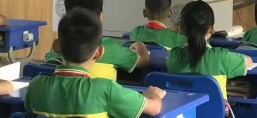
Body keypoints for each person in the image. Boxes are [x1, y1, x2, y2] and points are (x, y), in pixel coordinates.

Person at [26, 8, 165, 117]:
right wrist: (153, 95)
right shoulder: (106, 89)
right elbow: (154, 108)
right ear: (99, 53)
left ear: (56, 47)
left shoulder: (36, 86)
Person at [45, 0, 149, 79]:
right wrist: (140, 45)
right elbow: (143, 61)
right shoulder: (111, 47)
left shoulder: (59, 46)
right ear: (99, 16)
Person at [167, 1, 251, 102]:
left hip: (184, 109)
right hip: (215, 110)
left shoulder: (173, 56)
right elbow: (248, 61)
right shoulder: (221, 56)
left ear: (182, 29)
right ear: (212, 28)